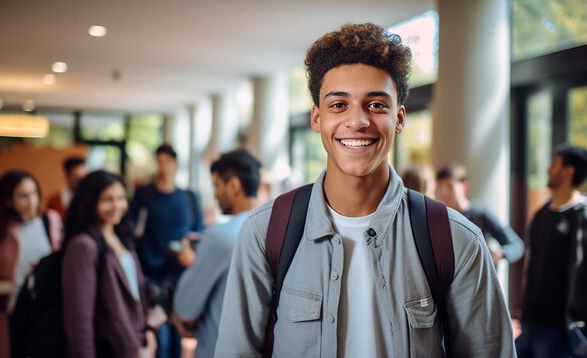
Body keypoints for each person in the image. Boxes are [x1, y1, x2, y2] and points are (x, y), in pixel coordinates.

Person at [214, 23, 515, 357]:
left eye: (376, 105)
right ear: (317, 118)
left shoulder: (456, 240)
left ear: (399, 119)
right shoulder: (265, 232)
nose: (357, 121)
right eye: (339, 105)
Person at [172, 149, 262, 358]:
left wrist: (192, 263)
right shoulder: (277, 229)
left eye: (216, 185)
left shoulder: (219, 236)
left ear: (234, 186)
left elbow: (185, 307)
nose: (214, 194)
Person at [61, 170, 147, 358]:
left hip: (131, 344)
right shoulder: (83, 246)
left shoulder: (121, 237)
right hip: (107, 349)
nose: (117, 206)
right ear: (90, 202)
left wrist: (144, 337)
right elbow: (79, 321)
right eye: (107, 199)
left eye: (121, 198)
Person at [130, 144, 204, 358]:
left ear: (176, 165)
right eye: (160, 162)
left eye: (168, 162)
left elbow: (198, 232)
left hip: (181, 274)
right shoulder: (144, 195)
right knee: (158, 329)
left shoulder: (189, 198)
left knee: (177, 330)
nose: (163, 167)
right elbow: (133, 231)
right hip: (151, 273)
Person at [516, 144, 587, 357]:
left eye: (554, 164)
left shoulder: (581, 217)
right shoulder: (541, 214)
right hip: (529, 321)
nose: (548, 169)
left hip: (559, 329)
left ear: (568, 171)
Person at [0, 170, 62, 310]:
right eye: (23, 196)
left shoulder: (50, 220)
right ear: (8, 201)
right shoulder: (1, 228)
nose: (32, 201)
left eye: (34, 193)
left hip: (47, 301)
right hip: (15, 303)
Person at [435, 164, 524, 265]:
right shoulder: (439, 217)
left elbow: (516, 244)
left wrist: (499, 254)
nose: (444, 193)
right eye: (440, 188)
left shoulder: (480, 213)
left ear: (464, 186)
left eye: (450, 187)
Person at [47, 156, 87, 220]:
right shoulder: (54, 201)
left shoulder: (91, 198)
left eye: (85, 177)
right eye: (78, 178)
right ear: (68, 177)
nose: (83, 182)